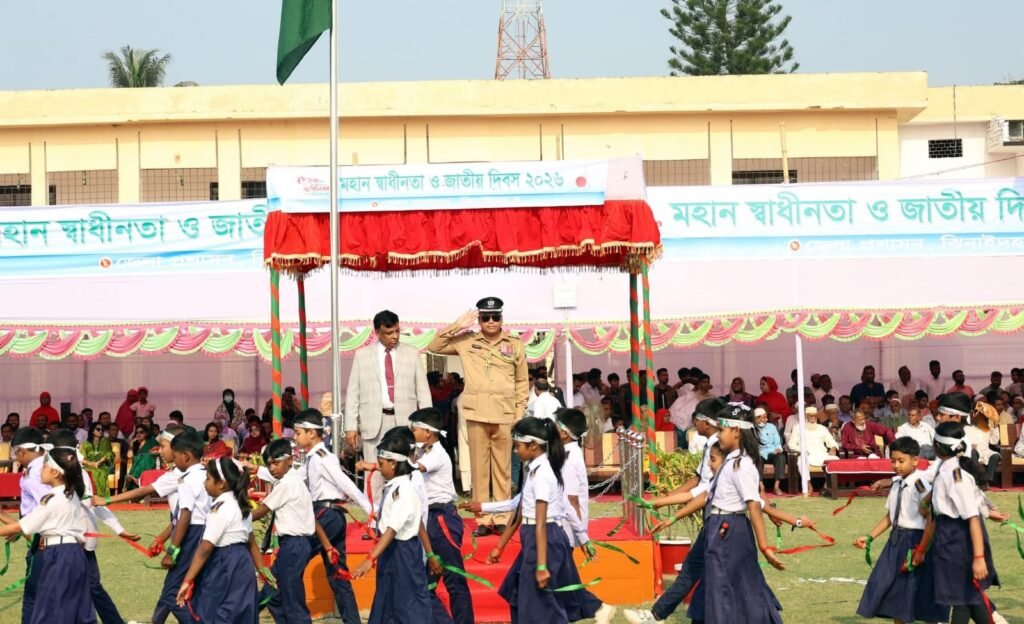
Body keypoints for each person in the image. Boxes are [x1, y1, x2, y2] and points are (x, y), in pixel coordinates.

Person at [462, 417, 615, 624]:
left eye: (518, 445)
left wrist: (541, 565)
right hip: (536, 537)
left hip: (544, 538)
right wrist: (500, 545)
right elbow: (520, 508)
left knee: (540, 602)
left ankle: (593, 609)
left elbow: (541, 522)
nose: (515, 450)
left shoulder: (543, 474)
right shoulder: (534, 469)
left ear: (533, 445)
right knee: (516, 589)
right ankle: (596, 608)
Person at [428, 298, 528, 537]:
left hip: (505, 414)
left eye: (495, 317)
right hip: (477, 413)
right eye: (485, 317)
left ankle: (502, 516)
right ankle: (483, 519)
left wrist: (519, 412)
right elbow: (435, 345)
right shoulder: (467, 341)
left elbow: (522, 381)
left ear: (501, 319)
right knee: (479, 470)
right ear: (480, 320)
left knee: (503, 470)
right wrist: (458, 325)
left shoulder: (515, 345)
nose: (491, 322)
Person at [623, 399, 726, 624]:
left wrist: (666, 510)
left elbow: (705, 491)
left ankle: (657, 615)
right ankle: (658, 614)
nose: (693, 424)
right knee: (698, 567)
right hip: (711, 515)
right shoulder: (710, 444)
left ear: (705, 422)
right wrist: (666, 499)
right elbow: (698, 480)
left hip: (722, 520)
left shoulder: (721, 446)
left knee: (712, 572)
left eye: (696, 419)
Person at [854, 436, 948, 624]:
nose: (896, 465)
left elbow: (931, 518)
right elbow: (890, 517)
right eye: (893, 461)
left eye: (901, 461)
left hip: (916, 540)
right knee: (895, 593)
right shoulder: (897, 483)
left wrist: (922, 549)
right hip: (896, 540)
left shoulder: (920, 485)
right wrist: (870, 536)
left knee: (920, 591)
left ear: (915, 460)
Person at [293, 409, 371, 624]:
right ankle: (352, 620)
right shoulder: (312, 459)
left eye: (298, 432)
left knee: (291, 564)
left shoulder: (322, 458)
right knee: (338, 575)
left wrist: (370, 512)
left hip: (325, 514)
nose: (295, 437)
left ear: (312, 433)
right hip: (330, 515)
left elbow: (346, 484)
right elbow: (292, 479)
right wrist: (259, 471)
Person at [347, 310, 432, 503]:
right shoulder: (362, 355)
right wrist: (351, 426)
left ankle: (408, 514)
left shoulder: (411, 353)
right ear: (377, 332)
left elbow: (423, 392)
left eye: (397, 331)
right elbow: (353, 392)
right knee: (375, 473)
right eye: (389, 332)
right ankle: (374, 518)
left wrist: (426, 426)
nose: (394, 336)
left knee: (407, 468)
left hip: (405, 421)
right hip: (373, 422)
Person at [0, 446, 93, 623]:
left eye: (44, 466)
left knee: (52, 611)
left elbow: (21, 526)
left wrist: (14, 527)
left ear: (56, 473)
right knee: (74, 611)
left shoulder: (53, 498)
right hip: (69, 553)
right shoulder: (70, 493)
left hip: (60, 554)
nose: (40, 470)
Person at [349, 433, 432, 623]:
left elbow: (392, 529)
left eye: (382, 463)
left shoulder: (404, 490)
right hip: (391, 552)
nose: (379, 468)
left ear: (393, 463)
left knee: (407, 606)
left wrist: (370, 558)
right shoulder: (395, 487)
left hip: (403, 553)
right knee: (387, 602)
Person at [927, 421, 999, 624]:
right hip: (948, 537)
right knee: (968, 597)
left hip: (958, 540)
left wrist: (978, 557)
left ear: (937, 446)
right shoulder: (946, 468)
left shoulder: (955, 475)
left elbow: (972, 518)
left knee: (960, 599)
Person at [175, 456, 261, 624]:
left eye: (208, 479)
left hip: (225, 563)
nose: (204, 483)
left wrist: (187, 580)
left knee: (214, 612)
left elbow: (205, 548)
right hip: (243, 563)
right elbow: (251, 541)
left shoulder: (220, 508)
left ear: (221, 483)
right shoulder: (240, 504)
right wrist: (262, 569)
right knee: (240, 614)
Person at [409, 408, 474, 624]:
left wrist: (377, 463)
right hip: (430, 517)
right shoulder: (424, 450)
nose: (411, 432)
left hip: (441, 518)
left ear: (428, 433)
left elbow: (412, 469)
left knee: (454, 579)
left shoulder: (436, 453)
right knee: (426, 583)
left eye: (414, 429)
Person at [253, 439, 316, 624]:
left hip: (294, 545)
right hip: (292, 545)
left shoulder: (287, 484)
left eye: (276, 462)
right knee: (270, 593)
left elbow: (261, 510)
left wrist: (234, 517)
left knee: (291, 597)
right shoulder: (292, 479)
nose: (272, 468)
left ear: (290, 460)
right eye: (269, 464)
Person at [10, 427, 53, 622]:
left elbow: (45, 508)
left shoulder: (37, 473)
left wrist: (20, 529)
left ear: (22, 450)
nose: (15, 457)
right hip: (39, 537)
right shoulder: (41, 467)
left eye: (15, 452)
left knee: (33, 597)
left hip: (43, 542)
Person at [555, 408, 590, 548]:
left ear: (564, 433)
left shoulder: (569, 458)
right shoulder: (569, 451)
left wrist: (580, 536)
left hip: (566, 530)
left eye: (555, 427)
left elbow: (572, 499)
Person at [964, 402, 1001, 488]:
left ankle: (987, 480)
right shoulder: (966, 428)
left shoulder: (988, 428)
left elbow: (994, 442)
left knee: (995, 455)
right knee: (973, 452)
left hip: (985, 451)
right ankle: (977, 481)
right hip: (972, 452)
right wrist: (969, 446)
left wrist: (995, 426)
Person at [755, 407, 786, 495]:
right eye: (763, 417)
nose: (766, 419)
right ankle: (761, 486)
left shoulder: (772, 427)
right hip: (760, 453)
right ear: (757, 418)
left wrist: (779, 448)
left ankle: (776, 486)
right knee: (757, 459)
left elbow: (777, 442)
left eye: (766, 417)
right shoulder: (752, 428)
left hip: (772, 452)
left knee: (781, 457)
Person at [81, 422, 115, 497]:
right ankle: (90, 495)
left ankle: (100, 496)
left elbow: (108, 453)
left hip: (102, 465)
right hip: (89, 465)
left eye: (102, 430)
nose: (101, 431)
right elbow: (82, 457)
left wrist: (99, 462)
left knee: (99, 472)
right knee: (89, 471)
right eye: (98, 429)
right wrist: (91, 463)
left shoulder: (105, 440)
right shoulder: (86, 443)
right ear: (92, 430)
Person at [127, 423, 159, 489]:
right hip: (137, 465)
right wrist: (131, 444)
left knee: (145, 457)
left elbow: (157, 449)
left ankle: (133, 477)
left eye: (141, 432)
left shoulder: (151, 441)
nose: (139, 434)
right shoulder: (135, 445)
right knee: (141, 458)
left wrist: (148, 452)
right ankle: (134, 478)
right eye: (137, 433)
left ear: (146, 433)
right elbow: (129, 456)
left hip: (149, 463)